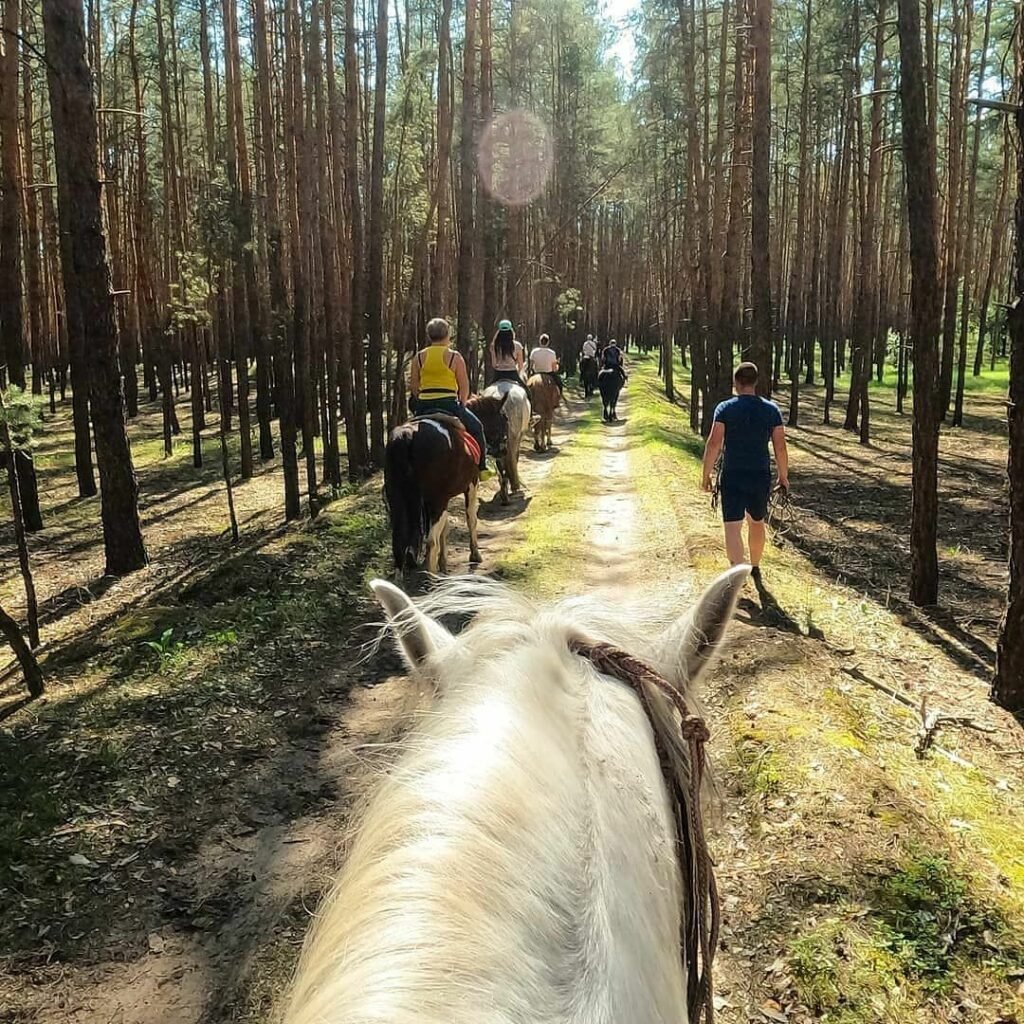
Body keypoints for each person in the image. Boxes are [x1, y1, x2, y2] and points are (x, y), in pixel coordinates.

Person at [701, 362, 789, 584]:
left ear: (736, 382)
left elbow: (714, 444)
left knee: (732, 525)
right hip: (760, 474)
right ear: (755, 382)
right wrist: (783, 476)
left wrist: (706, 474)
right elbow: (780, 446)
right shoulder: (771, 410)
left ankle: (737, 574)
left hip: (733, 473)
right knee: (757, 521)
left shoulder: (725, 408)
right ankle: (756, 567)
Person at [409, 317, 493, 480]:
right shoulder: (454, 357)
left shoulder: (418, 357)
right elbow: (464, 385)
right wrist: (461, 403)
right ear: (447, 335)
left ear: (429, 336)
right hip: (449, 404)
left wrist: (421, 397)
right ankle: (482, 467)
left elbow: (413, 385)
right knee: (477, 428)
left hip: (424, 406)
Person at [490, 319, 526, 384]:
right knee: (527, 391)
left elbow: (494, 364)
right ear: (511, 331)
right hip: (512, 374)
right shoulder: (517, 345)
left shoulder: (494, 346)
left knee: (486, 392)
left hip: (498, 374)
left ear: (499, 332)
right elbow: (521, 366)